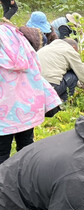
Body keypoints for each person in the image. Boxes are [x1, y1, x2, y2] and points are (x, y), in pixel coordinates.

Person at [0, 23, 61, 165]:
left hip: (3, 115)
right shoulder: (24, 50)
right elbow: (37, 71)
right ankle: (26, 181)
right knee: (26, 148)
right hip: (27, 108)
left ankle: (3, 184)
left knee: (2, 153)